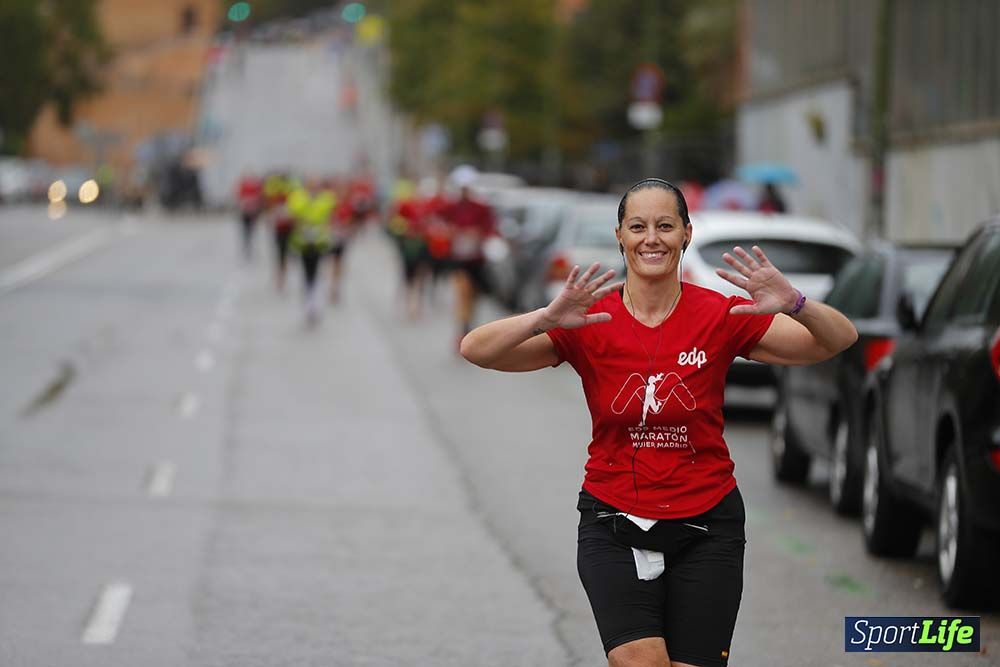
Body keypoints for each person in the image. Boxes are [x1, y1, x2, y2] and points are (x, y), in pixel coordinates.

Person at [459, 178, 857, 667]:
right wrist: (546, 316)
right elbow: (477, 350)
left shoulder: (721, 314)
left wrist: (796, 302)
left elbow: (836, 340)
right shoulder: (589, 321)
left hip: (707, 521)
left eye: (666, 226)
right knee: (640, 662)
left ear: (686, 234)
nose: (652, 238)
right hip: (613, 519)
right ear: (621, 236)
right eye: (639, 227)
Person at [441, 174, 496, 345]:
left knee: (473, 296)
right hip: (459, 259)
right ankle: (463, 329)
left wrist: (477, 234)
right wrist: (452, 232)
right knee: (462, 292)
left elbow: (490, 228)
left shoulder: (481, 207)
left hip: (476, 260)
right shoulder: (452, 207)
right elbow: (440, 222)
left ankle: (468, 324)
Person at [236, 172, 264, 260]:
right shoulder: (246, 187)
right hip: (247, 213)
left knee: (250, 231)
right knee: (247, 232)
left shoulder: (255, 187)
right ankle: (248, 249)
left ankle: (250, 249)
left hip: (251, 213)